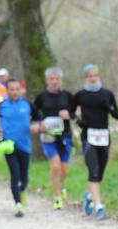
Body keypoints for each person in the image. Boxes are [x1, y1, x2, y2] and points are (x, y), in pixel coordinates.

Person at [74, 64, 118, 219]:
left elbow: (117, 115)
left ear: (98, 76)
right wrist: (78, 121)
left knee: (100, 172)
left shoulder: (107, 94)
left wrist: (108, 107)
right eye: (90, 76)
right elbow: (71, 112)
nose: (93, 78)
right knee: (93, 170)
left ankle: (89, 195)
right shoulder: (80, 95)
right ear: (85, 78)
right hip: (88, 136)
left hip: (104, 136)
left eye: (95, 75)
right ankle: (99, 207)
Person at [0, 77, 40, 217]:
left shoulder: (27, 105)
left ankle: (22, 191)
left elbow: (37, 117)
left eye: (17, 89)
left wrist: (34, 126)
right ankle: (18, 205)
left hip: (25, 145)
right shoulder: (2, 105)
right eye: (12, 89)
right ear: (7, 90)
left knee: (24, 178)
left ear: (21, 90)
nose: (15, 92)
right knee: (15, 175)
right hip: (9, 146)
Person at [34, 67, 75, 209]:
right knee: (55, 167)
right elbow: (34, 114)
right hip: (48, 137)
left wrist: (69, 114)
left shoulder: (68, 96)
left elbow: (77, 112)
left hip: (65, 136)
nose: (54, 81)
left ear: (61, 80)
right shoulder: (41, 97)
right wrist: (39, 124)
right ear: (47, 81)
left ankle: (59, 185)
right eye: (51, 79)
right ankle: (57, 197)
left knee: (65, 171)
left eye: (57, 78)